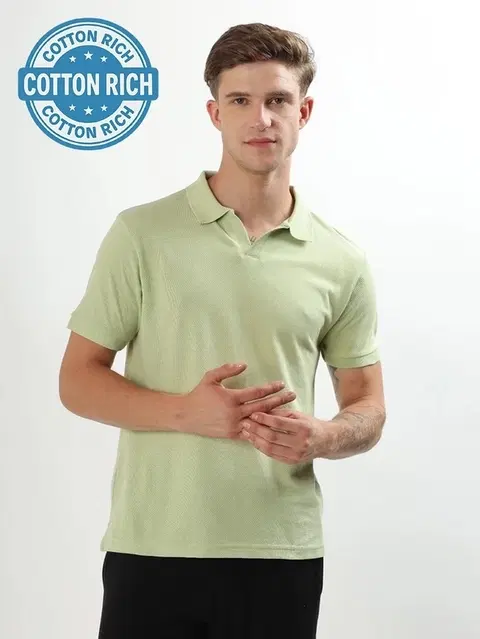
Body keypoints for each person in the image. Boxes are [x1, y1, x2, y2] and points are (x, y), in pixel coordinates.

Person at [59, 22, 386, 639]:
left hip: (281, 552)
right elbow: (76, 381)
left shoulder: (341, 260)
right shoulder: (141, 235)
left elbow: (368, 405)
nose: (261, 118)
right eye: (240, 100)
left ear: (303, 112)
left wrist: (324, 435)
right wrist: (187, 412)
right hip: (152, 548)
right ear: (215, 113)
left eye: (278, 99)